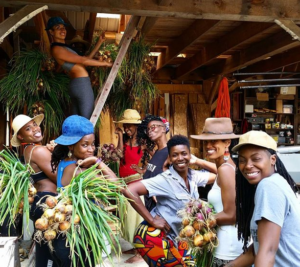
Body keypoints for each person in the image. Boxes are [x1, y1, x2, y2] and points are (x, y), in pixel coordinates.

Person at [122, 135, 216, 266]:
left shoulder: (193, 176)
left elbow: (220, 174)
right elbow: (129, 190)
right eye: (175, 155)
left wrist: (198, 161)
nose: (180, 158)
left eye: (184, 154)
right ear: (170, 158)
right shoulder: (165, 179)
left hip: (181, 240)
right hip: (159, 239)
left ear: (190, 155)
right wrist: (152, 220)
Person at [225, 130, 300, 267]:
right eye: (242, 160)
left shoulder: (269, 186)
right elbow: (257, 249)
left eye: (256, 159)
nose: (247, 165)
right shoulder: (276, 182)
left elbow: (268, 251)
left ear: (273, 159)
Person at [50, 115, 117, 267]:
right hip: (79, 237)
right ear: (71, 146)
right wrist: (97, 162)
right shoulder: (79, 170)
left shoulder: (64, 163)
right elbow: (117, 187)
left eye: (93, 144)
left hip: (69, 234)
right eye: (85, 145)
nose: (91, 149)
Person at [191, 117, 244, 267]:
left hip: (228, 247)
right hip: (226, 244)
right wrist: (198, 161)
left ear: (227, 142)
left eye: (214, 141)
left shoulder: (225, 170)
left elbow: (231, 215)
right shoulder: (226, 166)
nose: (208, 145)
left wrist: (198, 221)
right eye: (206, 141)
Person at [10, 114, 58, 267]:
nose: (35, 129)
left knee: (45, 249)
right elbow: (61, 178)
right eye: (28, 129)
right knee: (53, 252)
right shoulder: (38, 151)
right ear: (21, 135)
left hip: (41, 201)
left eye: (35, 125)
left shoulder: (30, 150)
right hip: (47, 202)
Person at [45, 17, 112, 119]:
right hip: (82, 85)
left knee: (78, 123)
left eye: (64, 28)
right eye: (58, 28)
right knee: (87, 122)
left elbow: (84, 61)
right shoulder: (57, 49)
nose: (62, 30)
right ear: (51, 32)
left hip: (77, 84)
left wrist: (99, 43)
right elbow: (83, 61)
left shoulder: (63, 47)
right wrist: (105, 64)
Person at [114, 109, 145, 263]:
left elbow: (152, 162)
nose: (127, 127)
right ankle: (135, 246)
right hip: (123, 183)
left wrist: (143, 170)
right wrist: (120, 136)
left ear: (137, 127)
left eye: (130, 125)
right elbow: (118, 155)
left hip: (137, 184)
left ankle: (141, 253)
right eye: (125, 125)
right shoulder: (125, 142)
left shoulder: (144, 143)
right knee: (127, 218)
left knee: (137, 218)